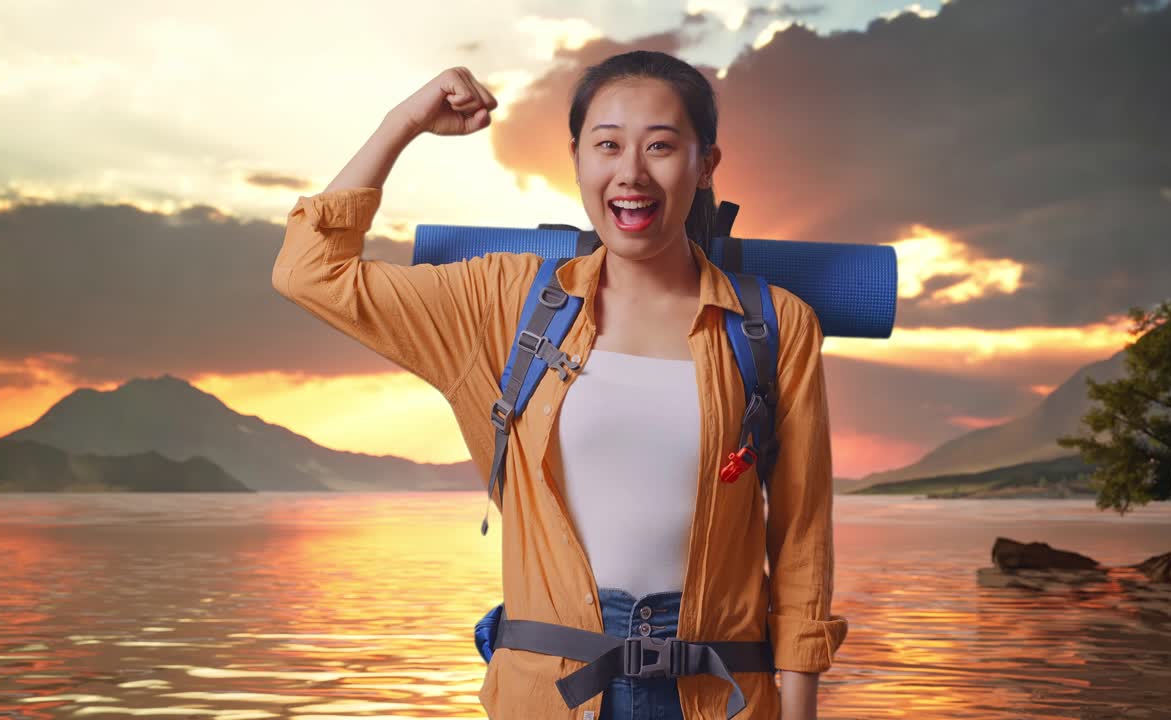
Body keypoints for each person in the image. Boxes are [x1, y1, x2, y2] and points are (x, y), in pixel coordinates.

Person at [272, 50, 846, 720]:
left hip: (721, 697)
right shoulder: (502, 303)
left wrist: (800, 710)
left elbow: (803, 540)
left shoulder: (773, 325)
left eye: (661, 146)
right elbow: (308, 271)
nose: (631, 172)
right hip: (549, 695)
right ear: (576, 158)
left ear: (705, 164)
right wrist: (402, 122)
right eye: (607, 145)